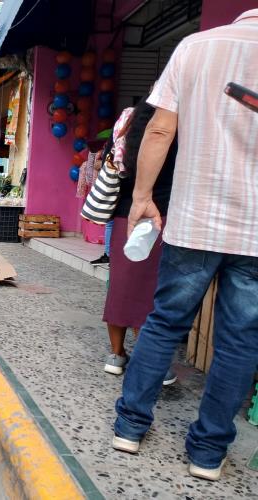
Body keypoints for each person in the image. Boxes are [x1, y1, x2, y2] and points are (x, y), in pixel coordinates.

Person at [113, 10, 258, 482]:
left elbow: (158, 129)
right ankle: (208, 455)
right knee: (240, 342)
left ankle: (130, 427)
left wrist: (141, 198)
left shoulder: (196, 47)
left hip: (195, 220)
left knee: (165, 324)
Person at [101, 97, 176, 380]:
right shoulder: (177, 130)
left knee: (120, 287)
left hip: (125, 216)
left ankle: (116, 355)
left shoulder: (125, 126)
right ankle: (152, 361)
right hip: (163, 217)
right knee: (151, 291)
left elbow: (108, 166)